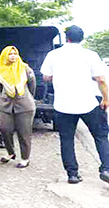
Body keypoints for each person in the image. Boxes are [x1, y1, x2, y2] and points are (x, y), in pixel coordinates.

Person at [40, 25, 109, 184]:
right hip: (88, 103)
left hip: (63, 105)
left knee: (67, 139)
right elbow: (101, 80)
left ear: (66, 38)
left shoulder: (53, 55)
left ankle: (72, 174)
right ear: (82, 38)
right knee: (100, 136)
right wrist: (106, 99)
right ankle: (106, 168)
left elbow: (46, 77)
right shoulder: (91, 55)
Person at [0, 46, 37, 168]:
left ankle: (25, 158)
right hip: (5, 104)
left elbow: (32, 84)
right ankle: (10, 152)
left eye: (15, 53)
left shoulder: (24, 68)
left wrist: (28, 96)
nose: (13, 56)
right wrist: (7, 93)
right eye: (10, 54)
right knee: (4, 129)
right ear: (5, 56)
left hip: (24, 105)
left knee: (24, 133)